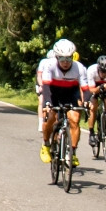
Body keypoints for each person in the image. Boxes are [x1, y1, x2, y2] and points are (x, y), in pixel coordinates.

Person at [39, 39, 86, 167]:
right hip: (54, 94)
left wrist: (86, 102)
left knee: (74, 120)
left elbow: (85, 89)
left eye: (68, 59)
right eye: (62, 59)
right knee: (51, 118)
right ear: (57, 57)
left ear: (72, 57)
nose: (65, 63)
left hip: (71, 93)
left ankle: (73, 153)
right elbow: (46, 88)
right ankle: (46, 145)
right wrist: (47, 104)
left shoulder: (79, 68)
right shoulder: (50, 66)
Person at [85, 55, 106, 149]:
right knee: (93, 106)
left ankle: (105, 122)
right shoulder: (91, 71)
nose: (104, 74)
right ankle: (91, 132)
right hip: (94, 88)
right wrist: (100, 88)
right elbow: (91, 90)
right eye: (102, 71)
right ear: (98, 68)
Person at [35, 49, 54, 132]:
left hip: (51, 83)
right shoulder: (43, 62)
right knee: (41, 100)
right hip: (41, 82)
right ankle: (40, 122)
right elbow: (39, 76)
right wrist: (41, 86)